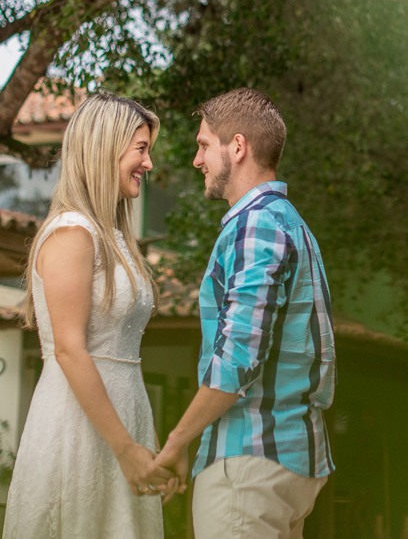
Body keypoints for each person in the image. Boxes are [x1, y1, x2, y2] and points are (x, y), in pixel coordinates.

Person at [154, 88, 336, 539]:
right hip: (292, 461)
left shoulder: (254, 225)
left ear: (236, 147)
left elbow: (238, 358)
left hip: (248, 466)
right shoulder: (292, 223)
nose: (197, 161)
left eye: (202, 145)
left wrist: (178, 441)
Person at [3, 95, 178, 539]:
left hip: (124, 421)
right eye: (141, 149)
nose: (149, 163)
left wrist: (145, 452)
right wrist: (126, 450)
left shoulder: (114, 237)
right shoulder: (71, 234)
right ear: (106, 147)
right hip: (79, 431)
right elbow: (68, 349)